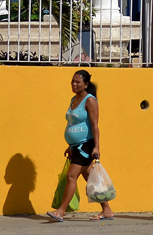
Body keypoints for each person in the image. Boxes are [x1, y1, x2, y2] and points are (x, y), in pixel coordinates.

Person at [47, 70, 114, 222]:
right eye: (73, 81)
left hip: (86, 145)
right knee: (89, 175)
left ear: (86, 84)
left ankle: (61, 212)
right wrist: (70, 145)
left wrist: (96, 147)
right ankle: (107, 210)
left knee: (71, 176)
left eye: (78, 82)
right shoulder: (73, 99)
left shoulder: (90, 100)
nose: (74, 84)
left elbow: (95, 125)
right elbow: (72, 123)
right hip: (76, 146)